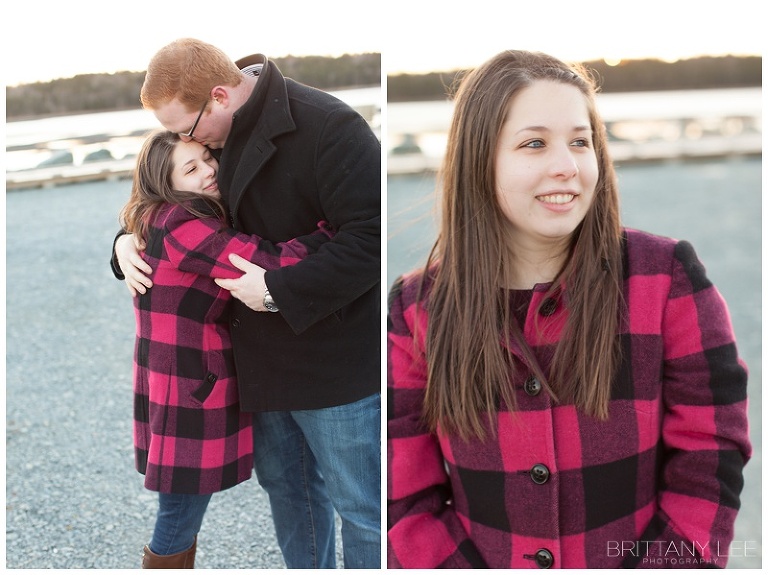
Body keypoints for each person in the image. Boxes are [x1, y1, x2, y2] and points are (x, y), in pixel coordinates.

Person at [386, 50, 751, 569]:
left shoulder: (667, 278)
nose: (567, 166)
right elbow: (403, 498)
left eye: (581, 142)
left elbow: (711, 452)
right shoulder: (415, 310)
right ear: (479, 160)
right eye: (534, 143)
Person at [113, 39, 381, 569]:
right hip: (253, 366)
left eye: (187, 130)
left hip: (330, 361)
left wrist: (281, 291)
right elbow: (171, 206)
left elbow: (371, 237)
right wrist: (123, 243)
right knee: (292, 497)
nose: (188, 144)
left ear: (219, 96)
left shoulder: (329, 126)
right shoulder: (211, 137)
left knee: (362, 508)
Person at [116, 129, 334, 568]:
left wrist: (120, 239)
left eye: (206, 158)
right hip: (190, 388)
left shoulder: (156, 217)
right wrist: (331, 233)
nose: (209, 170)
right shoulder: (183, 224)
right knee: (178, 513)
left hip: (175, 379)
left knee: (181, 509)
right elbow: (264, 261)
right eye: (190, 168)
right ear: (167, 184)